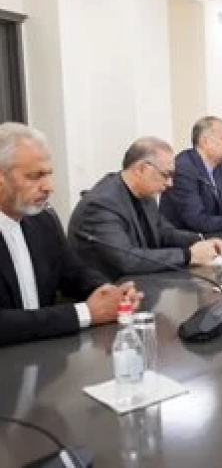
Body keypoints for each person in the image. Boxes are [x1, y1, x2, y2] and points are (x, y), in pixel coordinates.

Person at [0, 122, 141, 346]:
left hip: (44, 354)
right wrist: (85, 313)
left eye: (49, 174)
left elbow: (73, 272)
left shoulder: (42, 220)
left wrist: (108, 292)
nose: (49, 187)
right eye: (35, 176)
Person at [68, 137, 222, 279]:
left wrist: (200, 241)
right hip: (108, 292)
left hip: (139, 284)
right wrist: (189, 255)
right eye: (166, 174)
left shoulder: (145, 194)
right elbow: (127, 260)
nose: (170, 183)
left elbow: (163, 232)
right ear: (141, 169)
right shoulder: (101, 204)